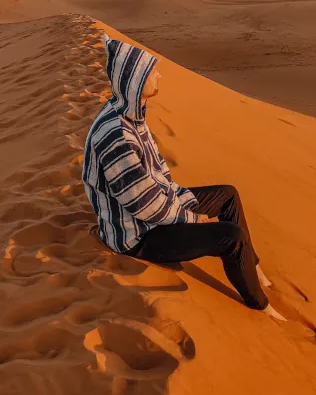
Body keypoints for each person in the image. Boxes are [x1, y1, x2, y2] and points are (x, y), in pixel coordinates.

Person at [82, 33, 286, 320]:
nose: (161, 77)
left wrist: (183, 200)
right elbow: (146, 206)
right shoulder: (118, 137)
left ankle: (251, 264)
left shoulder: (131, 117)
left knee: (227, 195)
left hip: (154, 212)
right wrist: (190, 217)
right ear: (136, 82)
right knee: (231, 237)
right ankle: (261, 306)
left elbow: (160, 178)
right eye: (154, 73)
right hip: (138, 236)